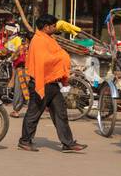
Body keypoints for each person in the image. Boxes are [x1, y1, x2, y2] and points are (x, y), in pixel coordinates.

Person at [18, 14, 86, 154]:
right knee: (33, 114)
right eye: (53, 26)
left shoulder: (48, 38)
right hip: (41, 82)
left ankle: (68, 143)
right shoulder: (38, 41)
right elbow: (44, 61)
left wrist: (61, 57)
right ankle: (24, 141)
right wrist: (61, 58)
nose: (55, 28)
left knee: (61, 113)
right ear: (46, 27)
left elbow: (53, 55)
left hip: (52, 84)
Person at [0, 22, 29, 116]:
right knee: (26, 88)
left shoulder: (17, 40)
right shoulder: (10, 39)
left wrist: (10, 57)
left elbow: (15, 54)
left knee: (19, 89)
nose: (6, 31)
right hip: (21, 67)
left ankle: (16, 110)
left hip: (20, 68)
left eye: (7, 30)